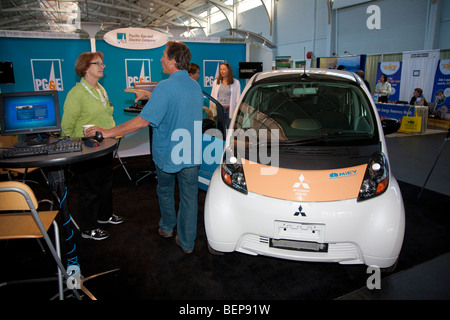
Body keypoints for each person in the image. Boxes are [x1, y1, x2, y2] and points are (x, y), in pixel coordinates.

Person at [86, 41, 203, 254]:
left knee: (165, 190)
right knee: (189, 197)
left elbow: (142, 121)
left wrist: (108, 131)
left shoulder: (165, 86)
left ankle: (167, 228)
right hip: (191, 151)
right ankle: (187, 243)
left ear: (173, 60)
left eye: (164, 56)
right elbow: (176, 101)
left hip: (169, 153)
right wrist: (150, 96)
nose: (161, 59)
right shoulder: (195, 86)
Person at [61, 51, 123, 241]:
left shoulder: (100, 89)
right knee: (89, 189)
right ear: (85, 68)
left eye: (102, 63)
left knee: (105, 183)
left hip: (105, 146)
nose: (102, 66)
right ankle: (88, 228)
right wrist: (72, 149)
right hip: (86, 148)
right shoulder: (76, 94)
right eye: (98, 63)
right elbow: (67, 127)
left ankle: (104, 216)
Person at [210, 62, 241, 127]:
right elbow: (212, 96)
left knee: (231, 131)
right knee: (220, 131)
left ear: (229, 70)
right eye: (221, 69)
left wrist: (237, 113)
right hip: (219, 110)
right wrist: (212, 112)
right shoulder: (216, 82)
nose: (222, 71)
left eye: (224, 69)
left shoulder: (236, 83)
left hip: (230, 110)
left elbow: (238, 99)